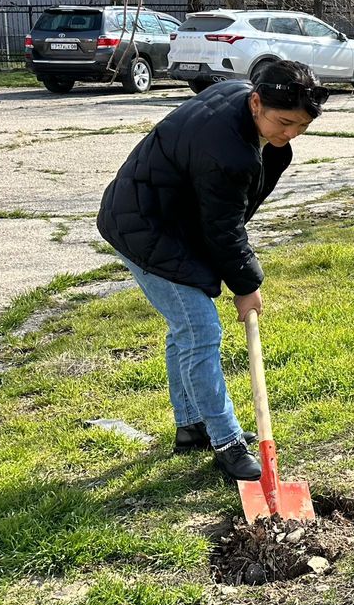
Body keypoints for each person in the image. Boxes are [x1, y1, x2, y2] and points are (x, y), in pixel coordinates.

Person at [96, 60, 329, 479]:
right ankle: (227, 442)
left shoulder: (242, 100)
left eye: (302, 126)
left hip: (173, 219)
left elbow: (226, 216)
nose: (291, 133)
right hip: (145, 227)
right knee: (200, 330)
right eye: (285, 122)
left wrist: (230, 264)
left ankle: (190, 426)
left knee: (185, 328)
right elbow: (224, 226)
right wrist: (245, 284)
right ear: (256, 102)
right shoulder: (228, 153)